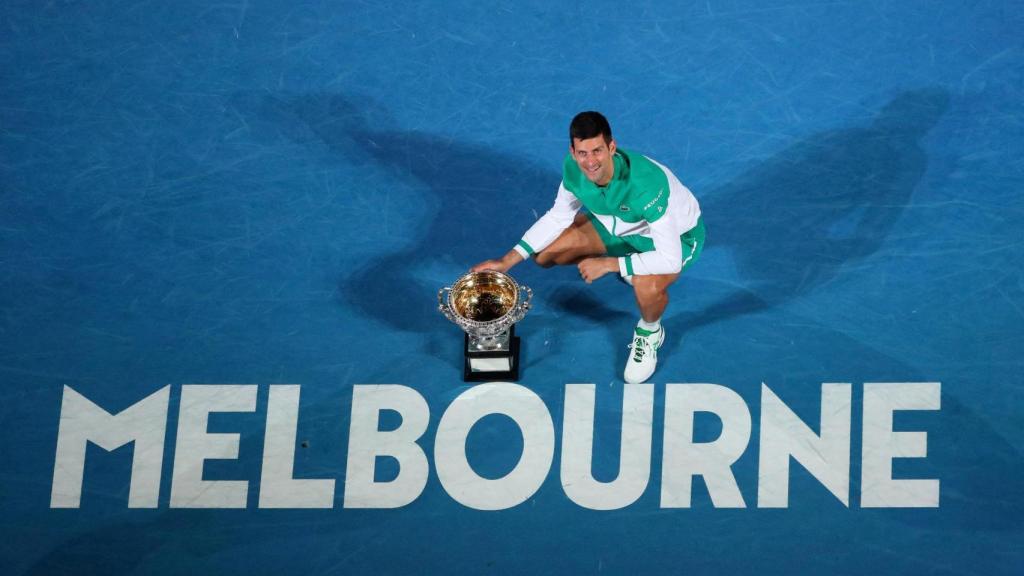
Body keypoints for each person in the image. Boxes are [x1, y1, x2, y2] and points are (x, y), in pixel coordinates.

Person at [472, 111, 705, 383]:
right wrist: (506, 261)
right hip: (621, 226)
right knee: (545, 254)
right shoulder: (574, 170)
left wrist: (609, 264)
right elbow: (558, 216)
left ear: (612, 147)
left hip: (676, 240)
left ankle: (650, 331)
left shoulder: (646, 186)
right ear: (572, 151)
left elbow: (670, 260)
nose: (590, 161)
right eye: (583, 153)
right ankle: (632, 259)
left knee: (646, 285)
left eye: (597, 151)